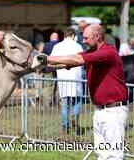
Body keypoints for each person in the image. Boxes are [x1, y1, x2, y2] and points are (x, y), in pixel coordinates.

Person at [44, 24, 128, 160]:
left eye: (86, 38)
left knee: (114, 156)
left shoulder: (108, 52)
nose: (83, 41)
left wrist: (46, 58)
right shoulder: (91, 53)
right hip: (100, 111)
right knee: (102, 155)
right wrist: (45, 67)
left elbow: (77, 59)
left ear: (98, 36)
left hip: (113, 112)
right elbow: (70, 60)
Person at [50, 28, 83, 134]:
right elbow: (82, 60)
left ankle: (65, 126)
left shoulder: (57, 46)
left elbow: (52, 60)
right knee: (77, 101)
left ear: (64, 35)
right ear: (73, 35)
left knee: (64, 103)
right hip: (76, 77)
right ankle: (75, 118)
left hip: (63, 77)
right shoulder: (78, 46)